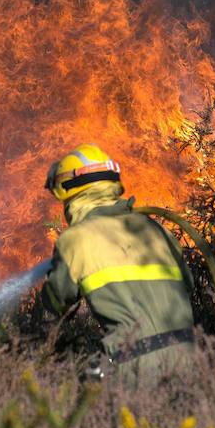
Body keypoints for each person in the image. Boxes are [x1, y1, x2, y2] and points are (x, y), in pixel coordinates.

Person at [40, 144, 194, 379]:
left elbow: (55, 303)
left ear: (70, 193)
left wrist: (57, 270)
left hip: (134, 367)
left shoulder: (76, 240)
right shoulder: (156, 229)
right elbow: (188, 286)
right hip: (190, 360)